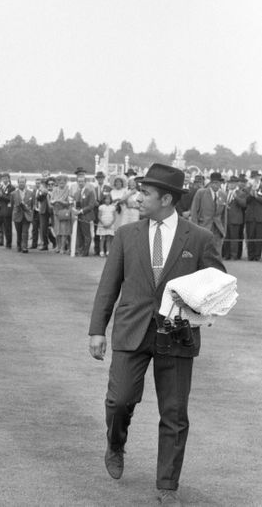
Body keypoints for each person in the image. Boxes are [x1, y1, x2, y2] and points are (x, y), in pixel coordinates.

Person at [89, 163, 224, 506]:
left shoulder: (200, 238)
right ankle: (116, 444)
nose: (138, 198)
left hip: (177, 336)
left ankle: (167, 485)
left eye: (145, 193)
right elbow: (108, 286)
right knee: (119, 401)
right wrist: (97, 331)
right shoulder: (126, 235)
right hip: (131, 330)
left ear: (166, 199)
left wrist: (196, 303)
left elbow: (218, 284)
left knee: (175, 414)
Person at [189, 171, 226, 252]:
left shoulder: (223, 195)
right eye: (214, 183)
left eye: (218, 183)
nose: (216, 185)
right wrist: (195, 228)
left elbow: (224, 215)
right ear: (210, 183)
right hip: (204, 227)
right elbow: (194, 211)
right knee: (203, 252)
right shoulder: (201, 193)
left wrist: (223, 230)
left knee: (217, 253)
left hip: (218, 229)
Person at [73, 167, 97, 256]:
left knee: (87, 235)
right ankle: (80, 250)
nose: (80, 183)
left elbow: (91, 205)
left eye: (82, 181)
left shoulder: (90, 191)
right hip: (78, 216)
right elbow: (76, 204)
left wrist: (81, 211)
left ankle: (85, 251)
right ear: (77, 182)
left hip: (86, 216)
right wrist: (75, 210)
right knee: (79, 235)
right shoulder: (77, 193)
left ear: (85, 182)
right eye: (79, 182)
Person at [222, 175, 247, 260]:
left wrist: (235, 197)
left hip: (236, 219)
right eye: (229, 183)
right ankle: (227, 255)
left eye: (232, 183)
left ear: (236, 184)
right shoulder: (226, 192)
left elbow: (244, 204)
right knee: (227, 237)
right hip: (227, 219)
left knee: (234, 238)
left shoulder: (241, 193)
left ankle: (234, 255)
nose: (230, 185)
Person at [11, 176, 35, 253]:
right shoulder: (13, 193)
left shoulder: (31, 193)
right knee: (19, 232)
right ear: (18, 183)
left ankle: (24, 247)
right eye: (20, 182)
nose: (22, 183)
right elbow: (12, 205)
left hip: (27, 215)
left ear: (25, 183)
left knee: (25, 232)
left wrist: (30, 213)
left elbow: (32, 205)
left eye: (23, 182)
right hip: (17, 215)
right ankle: (19, 245)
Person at [50, 175, 73, 254]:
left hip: (64, 213)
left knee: (64, 231)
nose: (61, 184)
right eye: (60, 182)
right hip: (56, 212)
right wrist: (54, 201)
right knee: (57, 230)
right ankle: (58, 246)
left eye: (63, 183)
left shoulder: (68, 190)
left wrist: (62, 202)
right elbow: (51, 200)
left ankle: (63, 247)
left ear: (66, 182)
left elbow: (70, 202)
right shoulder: (54, 190)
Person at [246, 170, 262, 261]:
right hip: (250, 217)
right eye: (253, 177)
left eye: (257, 176)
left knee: (259, 237)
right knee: (250, 236)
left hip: (260, 217)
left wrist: (256, 196)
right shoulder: (248, 188)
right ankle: (250, 256)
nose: (255, 178)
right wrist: (251, 194)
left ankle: (257, 256)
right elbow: (245, 201)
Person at [96, 188, 116, 257]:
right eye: (106, 199)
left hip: (110, 225)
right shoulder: (101, 207)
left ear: (110, 200)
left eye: (109, 199)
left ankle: (108, 251)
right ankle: (101, 251)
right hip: (103, 224)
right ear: (104, 200)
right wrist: (103, 223)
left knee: (109, 239)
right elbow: (99, 216)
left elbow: (114, 217)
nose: (107, 200)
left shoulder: (113, 207)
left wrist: (110, 224)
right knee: (102, 238)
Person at [92, 171, 107, 255]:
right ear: (97, 179)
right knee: (96, 231)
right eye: (98, 178)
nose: (100, 179)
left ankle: (105, 249)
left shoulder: (108, 188)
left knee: (106, 231)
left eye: (101, 177)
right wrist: (95, 203)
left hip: (105, 212)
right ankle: (96, 249)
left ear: (104, 178)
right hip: (96, 211)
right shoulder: (93, 188)